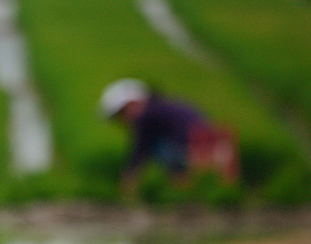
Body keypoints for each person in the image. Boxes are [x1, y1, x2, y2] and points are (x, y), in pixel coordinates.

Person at [99, 78, 239, 183]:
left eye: (122, 114)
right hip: (217, 147)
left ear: (131, 104)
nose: (124, 121)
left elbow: (140, 148)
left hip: (195, 150)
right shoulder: (165, 104)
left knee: (154, 146)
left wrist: (129, 176)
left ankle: (180, 181)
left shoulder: (146, 116)